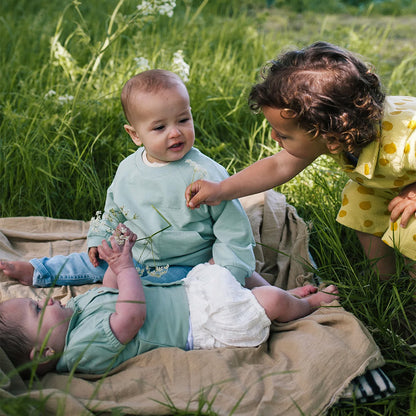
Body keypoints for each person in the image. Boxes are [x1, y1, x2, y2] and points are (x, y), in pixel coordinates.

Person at [0, 69, 265, 288]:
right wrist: (97, 240)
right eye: (160, 127)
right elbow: (114, 211)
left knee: (151, 288)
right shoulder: (128, 169)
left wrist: (224, 272)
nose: (175, 133)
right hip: (133, 254)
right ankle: (39, 272)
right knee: (89, 262)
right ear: (135, 134)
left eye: (183, 120)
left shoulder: (206, 174)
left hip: (186, 264)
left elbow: (233, 230)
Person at [186, 41, 416, 281]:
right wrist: (222, 189)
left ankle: (411, 293)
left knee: (411, 227)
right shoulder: (339, 132)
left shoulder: (404, 141)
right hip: (390, 180)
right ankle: (383, 277)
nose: (274, 137)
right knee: (361, 201)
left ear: (330, 137)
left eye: (284, 135)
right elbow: (278, 166)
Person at [0, 225, 339, 375]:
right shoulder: (80, 351)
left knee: (231, 267)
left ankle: (281, 295)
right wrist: (127, 268)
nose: (45, 302)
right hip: (203, 323)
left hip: (190, 292)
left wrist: (118, 259)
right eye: (36, 309)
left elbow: (112, 290)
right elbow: (130, 316)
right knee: (270, 303)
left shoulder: (75, 313)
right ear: (43, 352)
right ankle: (305, 305)